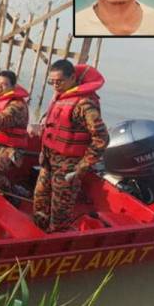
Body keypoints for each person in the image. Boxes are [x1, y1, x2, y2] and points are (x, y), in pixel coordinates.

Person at [30, 59, 109, 232]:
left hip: (69, 166)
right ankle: (38, 236)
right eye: (52, 82)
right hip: (49, 161)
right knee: (40, 201)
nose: (55, 86)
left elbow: (102, 137)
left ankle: (57, 244)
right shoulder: (60, 97)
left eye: (59, 81)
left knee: (60, 212)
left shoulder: (84, 104)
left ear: (72, 78)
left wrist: (82, 166)